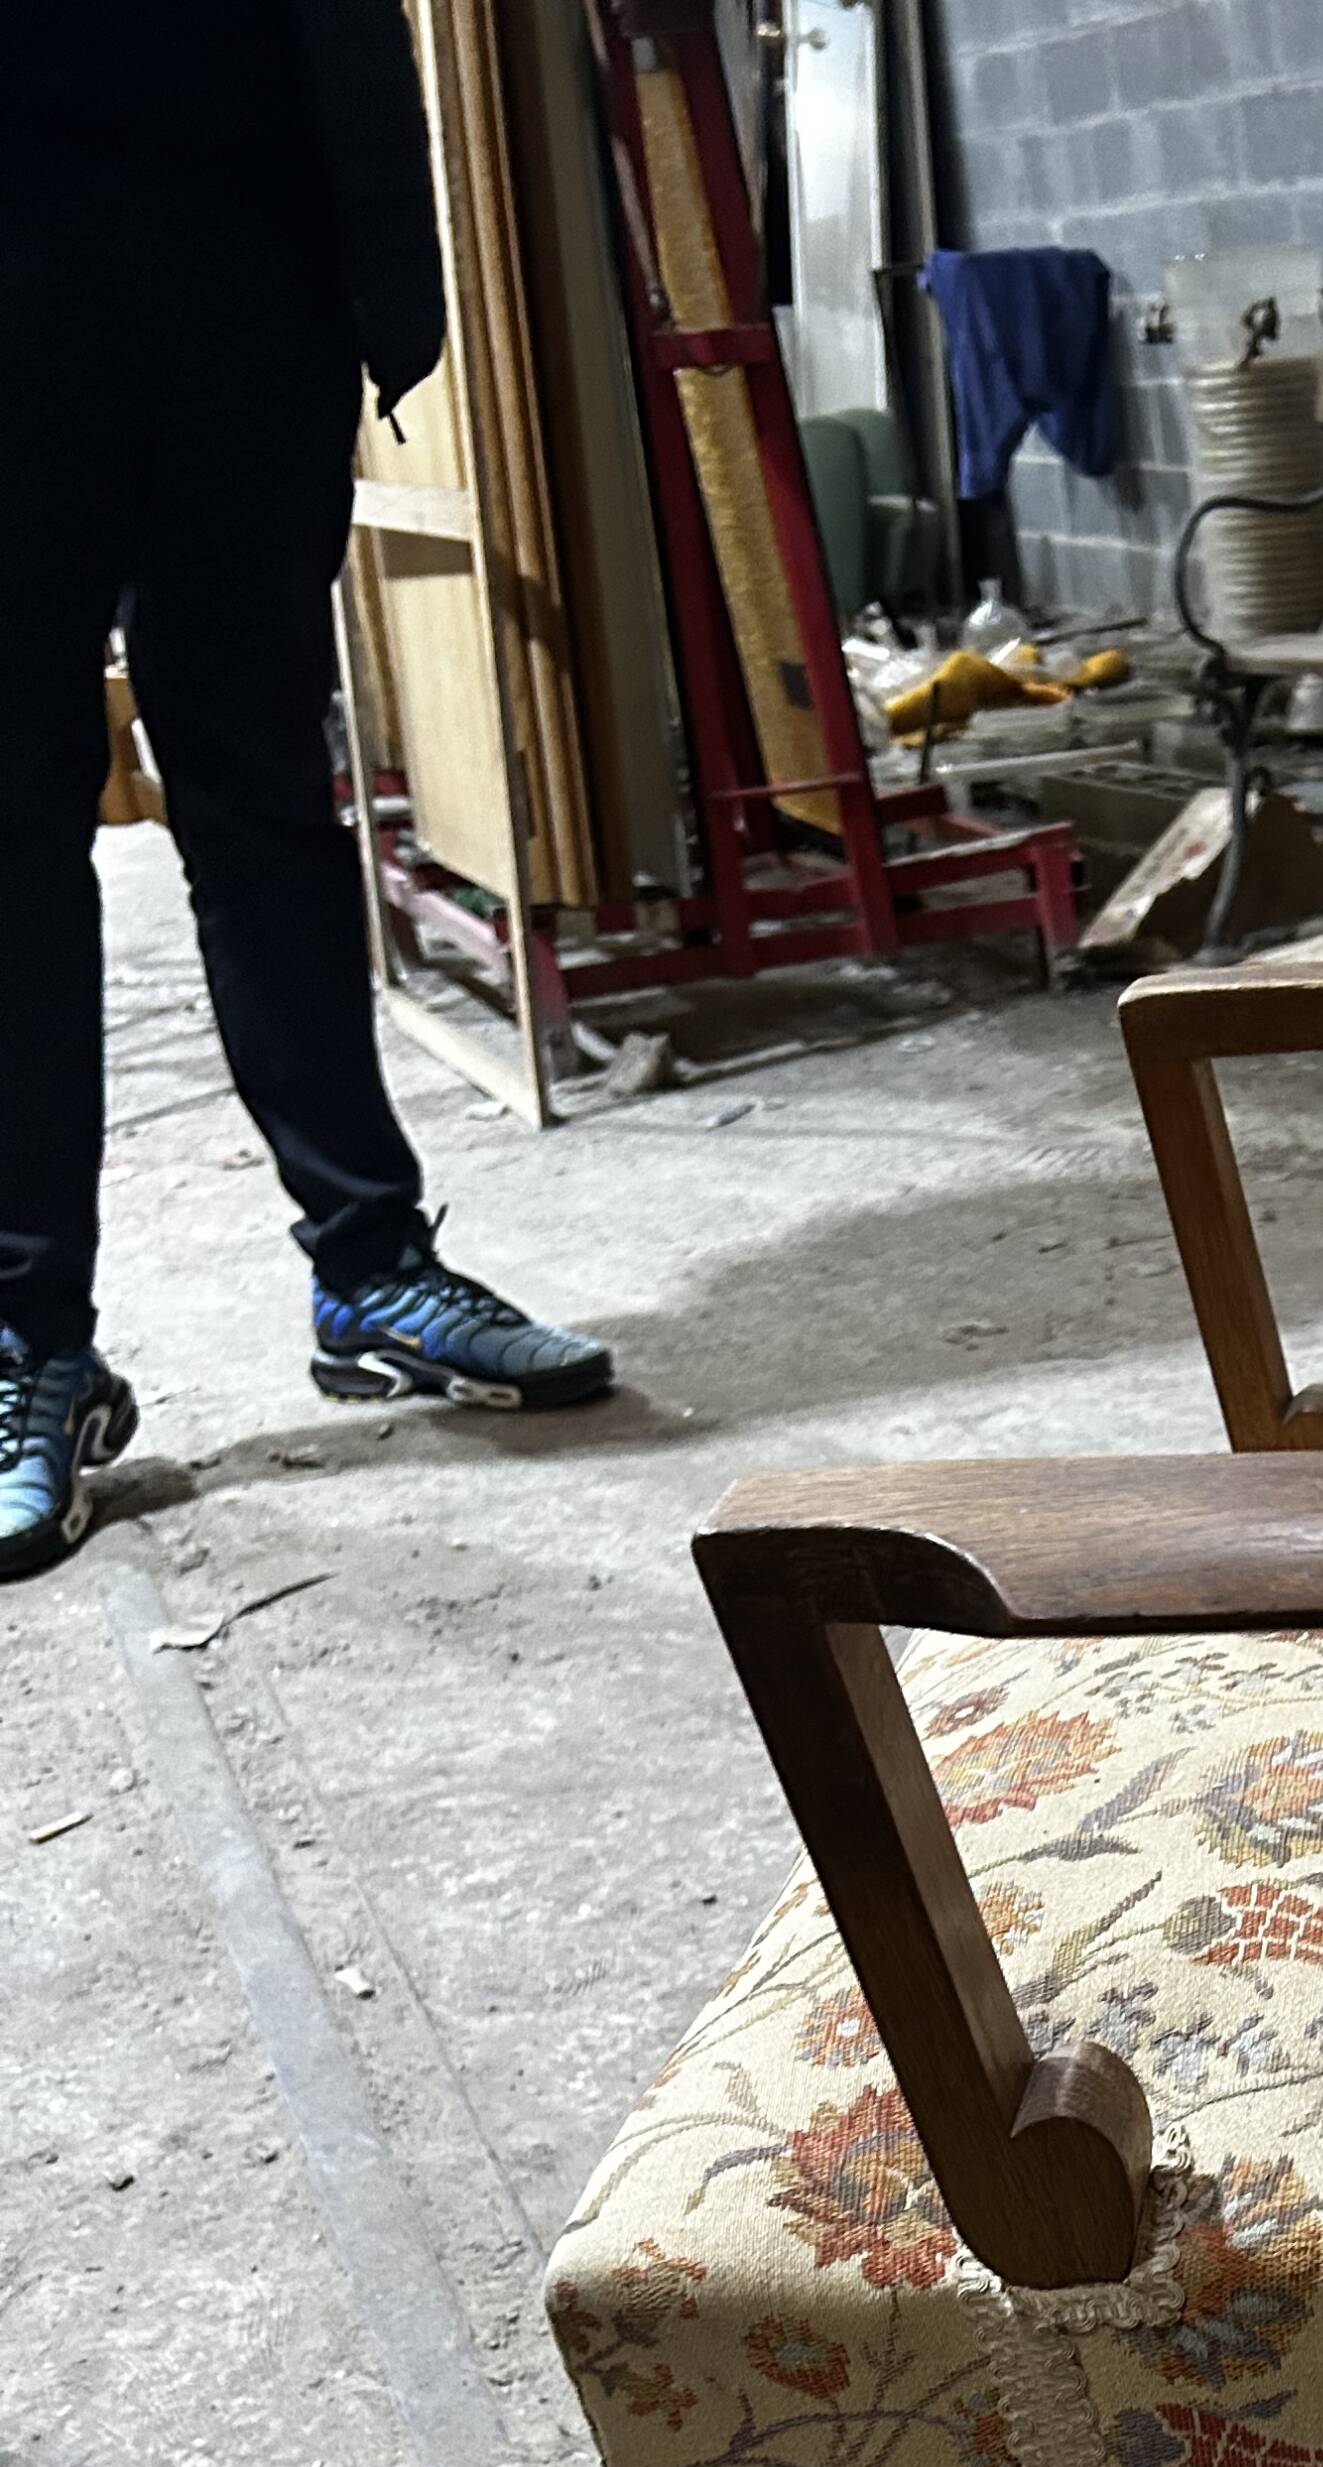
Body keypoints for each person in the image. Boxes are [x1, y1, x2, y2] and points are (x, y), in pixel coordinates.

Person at [0, 0, 613, 1586]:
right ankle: (27, 1344)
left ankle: (372, 1266)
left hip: (247, 247)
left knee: (268, 799)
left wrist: (370, 277)